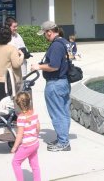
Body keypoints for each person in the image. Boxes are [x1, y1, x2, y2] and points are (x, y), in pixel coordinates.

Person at [30, 21, 71, 152]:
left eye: (45, 34)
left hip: (55, 83)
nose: (44, 37)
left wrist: (39, 66)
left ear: (49, 32)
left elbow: (54, 66)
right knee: (64, 112)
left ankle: (63, 142)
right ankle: (62, 138)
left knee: (57, 113)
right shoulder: (65, 42)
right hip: (64, 82)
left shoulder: (56, 46)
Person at [11, 92, 41, 181]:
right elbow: (38, 127)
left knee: (15, 162)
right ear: (29, 101)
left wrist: (14, 147)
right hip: (35, 143)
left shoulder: (21, 118)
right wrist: (35, 134)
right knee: (35, 165)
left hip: (26, 146)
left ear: (18, 104)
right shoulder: (34, 113)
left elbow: (19, 135)